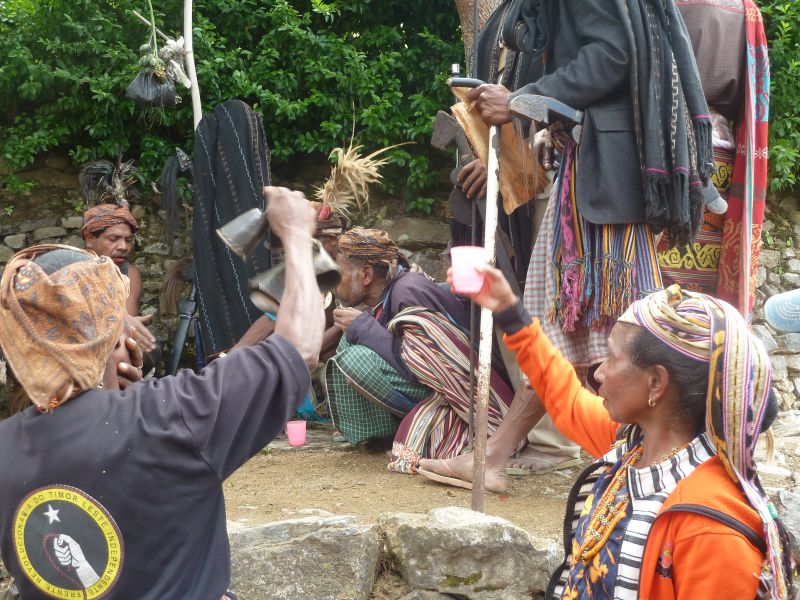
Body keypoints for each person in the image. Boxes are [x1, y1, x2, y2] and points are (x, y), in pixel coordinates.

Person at [425, 0, 714, 484]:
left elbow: (612, 54)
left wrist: (524, 98)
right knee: (569, 323)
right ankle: (496, 456)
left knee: (618, 326)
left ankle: (663, 454)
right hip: (598, 170)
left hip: (605, 178)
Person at [0, 187, 323, 598]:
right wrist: (296, 234)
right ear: (113, 333)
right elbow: (300, 349)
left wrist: (114, 390)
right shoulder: (168, 416)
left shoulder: (6, 447)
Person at [445, 263, 793, 598]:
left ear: (655, 382)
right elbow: (563, 393)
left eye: (611, 358)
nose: (598, 374)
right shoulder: (634, 446)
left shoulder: (711, 530)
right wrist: (509, 311)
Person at [325, 227, 516, 472]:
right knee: (349, 341)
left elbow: (428, 367)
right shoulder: (389, 294)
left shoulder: (408, 292)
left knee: (356, 357)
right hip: (435, 380)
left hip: (462, 392)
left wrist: (364, 328)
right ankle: (378, 434)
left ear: (366, 274)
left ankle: (412, 427)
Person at [81, 202, 159, 368]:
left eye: (128, 240)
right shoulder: (72, 270)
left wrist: (125, 323)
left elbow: (129, 322)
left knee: (150, 347)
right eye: (113, 239)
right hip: (81, 345)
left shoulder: (129, 273)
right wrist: (122, 322)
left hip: (116, 342)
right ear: (90, 240)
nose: (123, 247)